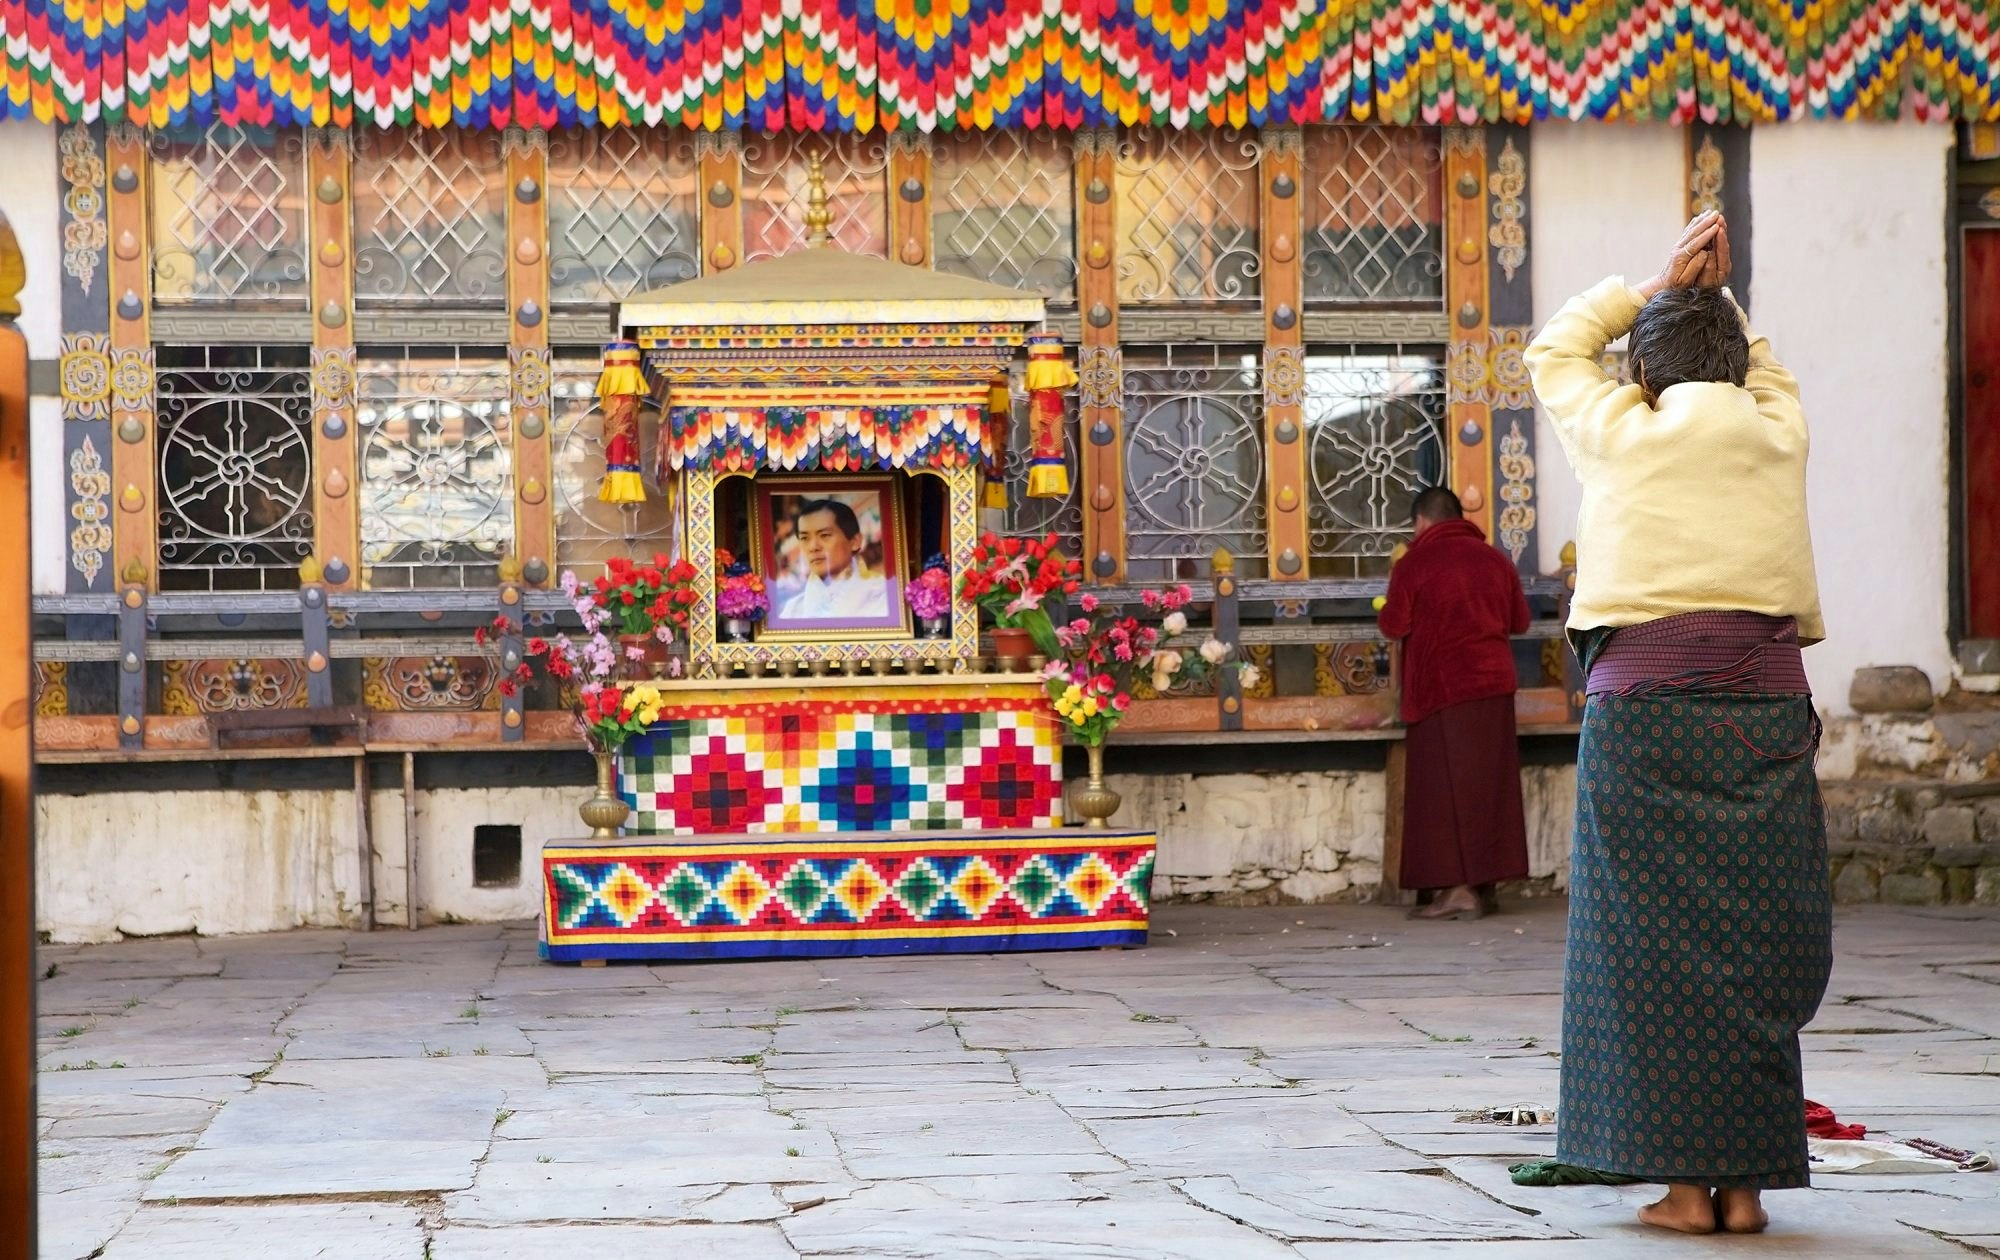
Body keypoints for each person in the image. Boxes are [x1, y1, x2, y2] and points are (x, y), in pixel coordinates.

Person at [1524, 211, 1830, 1236]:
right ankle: (1741, 1190)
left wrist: (1653, 285)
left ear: (1643, 374)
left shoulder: (1619, 427)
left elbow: (1553, 345)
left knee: (1642, 951)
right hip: (1763, 713)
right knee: (1748, 943)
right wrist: (1715, 299)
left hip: (1646, 717)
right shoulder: (1775, 425)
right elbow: (1760, 367)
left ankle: (1680, 1191)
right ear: (1738, 367)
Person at [1376, 487, 1532, 921]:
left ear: (1422, 522)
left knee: (1444, 792)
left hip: (1440, 689)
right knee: (1488, 787)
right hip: (1494, 688)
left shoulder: (1415, 563)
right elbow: (1519, 621)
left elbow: (1394, 624)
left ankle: (1458, 889)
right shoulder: (1496, 560)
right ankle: (1486, 885)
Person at [777, 498, 888, 621]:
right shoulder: (792, 611)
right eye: (805, 538)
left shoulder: (884, 596)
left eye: (824, 535)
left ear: (855, 541)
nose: (813, 547)